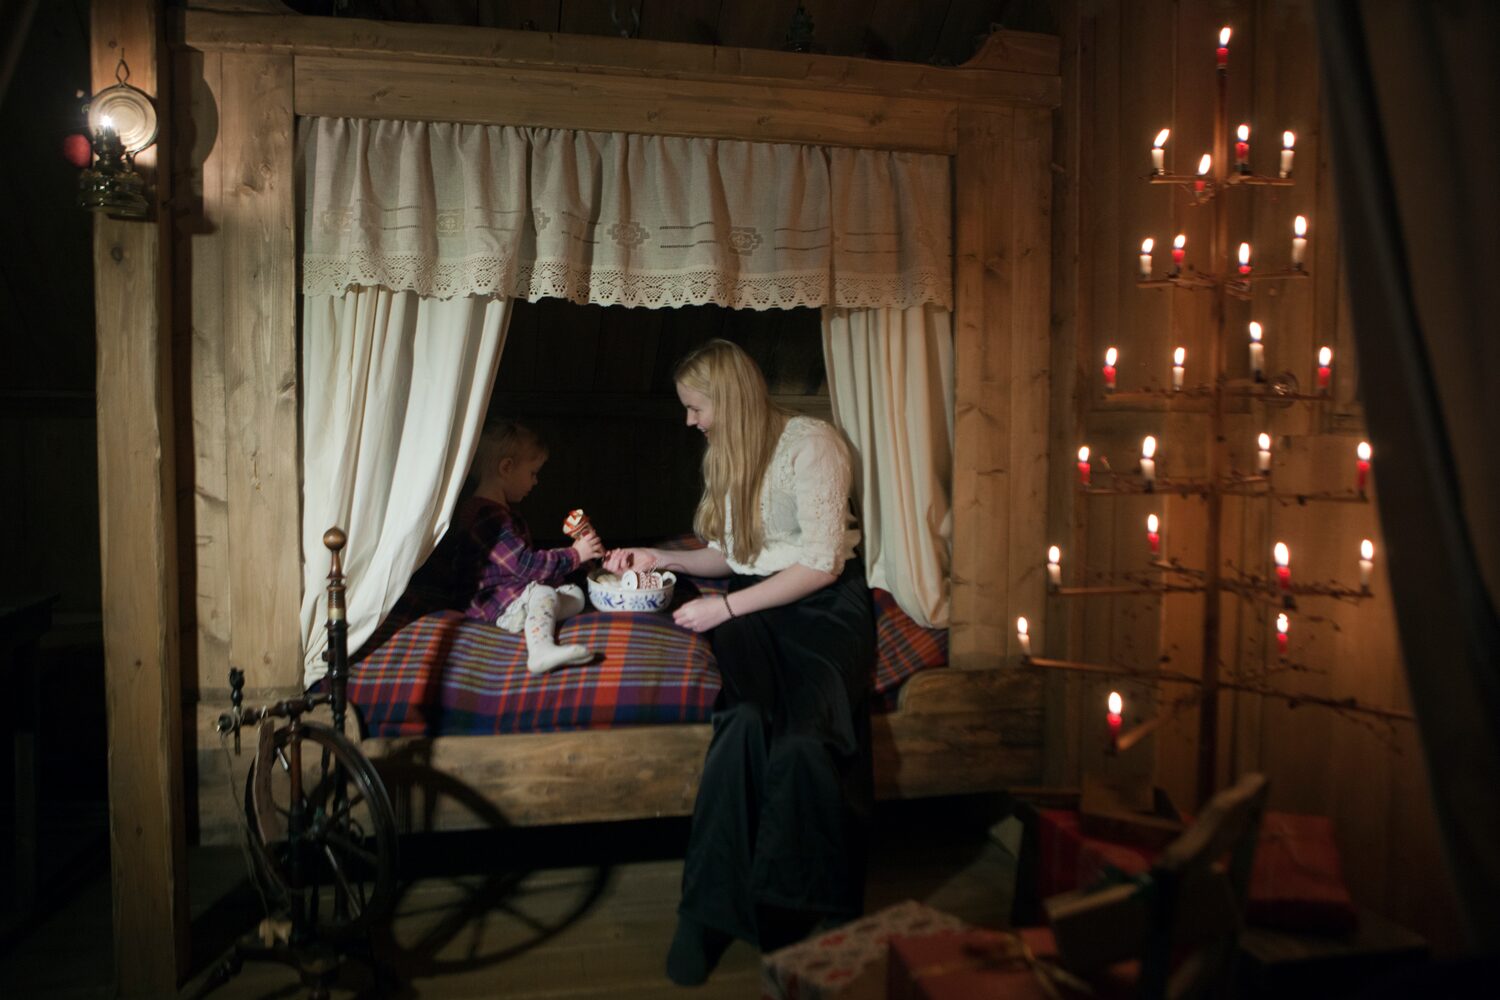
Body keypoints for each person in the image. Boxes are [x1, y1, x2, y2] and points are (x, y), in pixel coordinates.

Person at [603, 339, 876, 985]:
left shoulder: (812, 444)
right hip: (752, 600)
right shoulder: (724, 454)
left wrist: (726, 611)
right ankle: (707, 913)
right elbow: (731, 557)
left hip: (823, 604)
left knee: (809, 740)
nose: (690, 421)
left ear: (727, 398)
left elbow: (819, 562)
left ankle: (800, 916)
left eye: (696, 407)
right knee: (745, 719)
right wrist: (661, 557)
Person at [451, 420, 604, 673]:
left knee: (573, 595)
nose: (535, 482)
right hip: (489, 603)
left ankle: (531, 615)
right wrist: (574, 555)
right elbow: (524, 564)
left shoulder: (500, 512)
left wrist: (577, 557)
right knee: (544, 593)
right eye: (533, 473)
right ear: (507, 467)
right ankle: (540, 651)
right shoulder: (487, 517)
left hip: (510, 590)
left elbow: (523, 561)